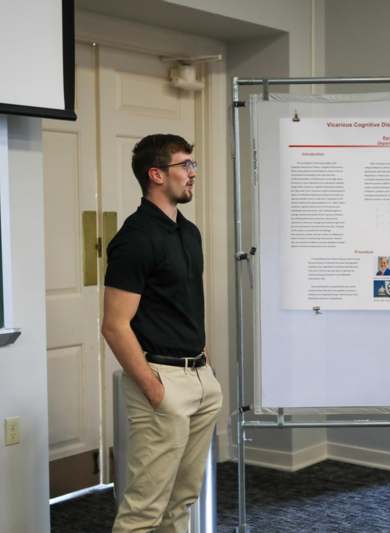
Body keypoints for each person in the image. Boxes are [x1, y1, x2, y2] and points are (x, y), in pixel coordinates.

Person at [102, 134, 222, 533]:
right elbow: (114, 325)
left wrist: (206, 368)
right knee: (143, 512)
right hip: (163, 383)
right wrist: (154, 389)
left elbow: (185, 306)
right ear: (156, 174)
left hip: (200, 379)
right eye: (184, 165)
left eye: (193, 165)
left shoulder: (189, 232)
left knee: (181, 502)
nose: (192, 174)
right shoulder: (135, 239)